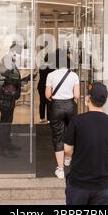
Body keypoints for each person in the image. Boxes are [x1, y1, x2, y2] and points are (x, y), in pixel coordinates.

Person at [63, 82, 108, 205]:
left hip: (79, 183)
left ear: (88, 99)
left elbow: (68, 150)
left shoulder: (77, 121)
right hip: (103, 184)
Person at [45, 49, 80, 179]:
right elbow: (77, 95)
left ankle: (60, 170)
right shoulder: (74, 75)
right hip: (71, 106)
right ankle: (68, 158)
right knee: (71, 134)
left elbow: (47, 95)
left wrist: (56, 98)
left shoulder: (51, 75)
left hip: (56, 106)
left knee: (58, 136)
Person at [0, 43, 32, 158]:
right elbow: (6, 76)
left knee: (7, 122)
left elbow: (12, 77)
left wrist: (24, 79)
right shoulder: (7, 59)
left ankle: (7, 144)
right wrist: (20, 80)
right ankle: (4, 148)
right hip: (5, 96)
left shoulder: (10, 59)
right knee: (5, 123)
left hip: (8, 96)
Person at [37, 53, 54, 124]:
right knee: (49, 102)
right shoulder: (53, 68)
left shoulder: (41, 66)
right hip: (49, 87)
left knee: (42, 102)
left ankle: (42, 118)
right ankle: (49, 119)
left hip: (41, 86)